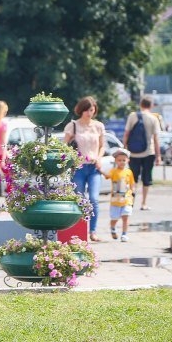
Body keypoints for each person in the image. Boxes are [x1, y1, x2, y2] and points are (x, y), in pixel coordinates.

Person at [63, 96, 106, 241]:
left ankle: (93, 231)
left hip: (94, 167)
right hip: (79, 167)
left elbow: (102, 146)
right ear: (81, 110)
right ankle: (79, 231)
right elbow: (64, 145)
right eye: (86, 110)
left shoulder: (98, 126)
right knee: (79, 198)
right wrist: (69, 159)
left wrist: (99, 158)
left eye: (91, 110)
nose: (89, 113)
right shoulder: (73, 125)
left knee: (94, 199)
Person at [123, 96, 162, 211]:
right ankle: (143, 203)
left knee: (132, 179)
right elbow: (156, 139)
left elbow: (126, 134)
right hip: (149, 152)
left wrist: (124, 150)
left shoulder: (132, 116)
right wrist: (158, 156)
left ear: (140, 104)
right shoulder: (154, 118)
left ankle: (130, 202)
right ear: (151, 106)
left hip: (133, 153)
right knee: (146, 179)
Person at [104, 148, 136, 242]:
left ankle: (124, 234)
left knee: (125, 217)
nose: (122, 162)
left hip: (126, 199)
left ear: (127, 160)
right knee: (115, 218)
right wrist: (99, 169)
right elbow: (107, 176)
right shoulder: (113, 171)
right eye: (119, 160)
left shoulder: (129, 172)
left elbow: (132, 183)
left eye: (124, 160)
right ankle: (113, 228)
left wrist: (132, 192)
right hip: (116, 200)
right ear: (115, 161)